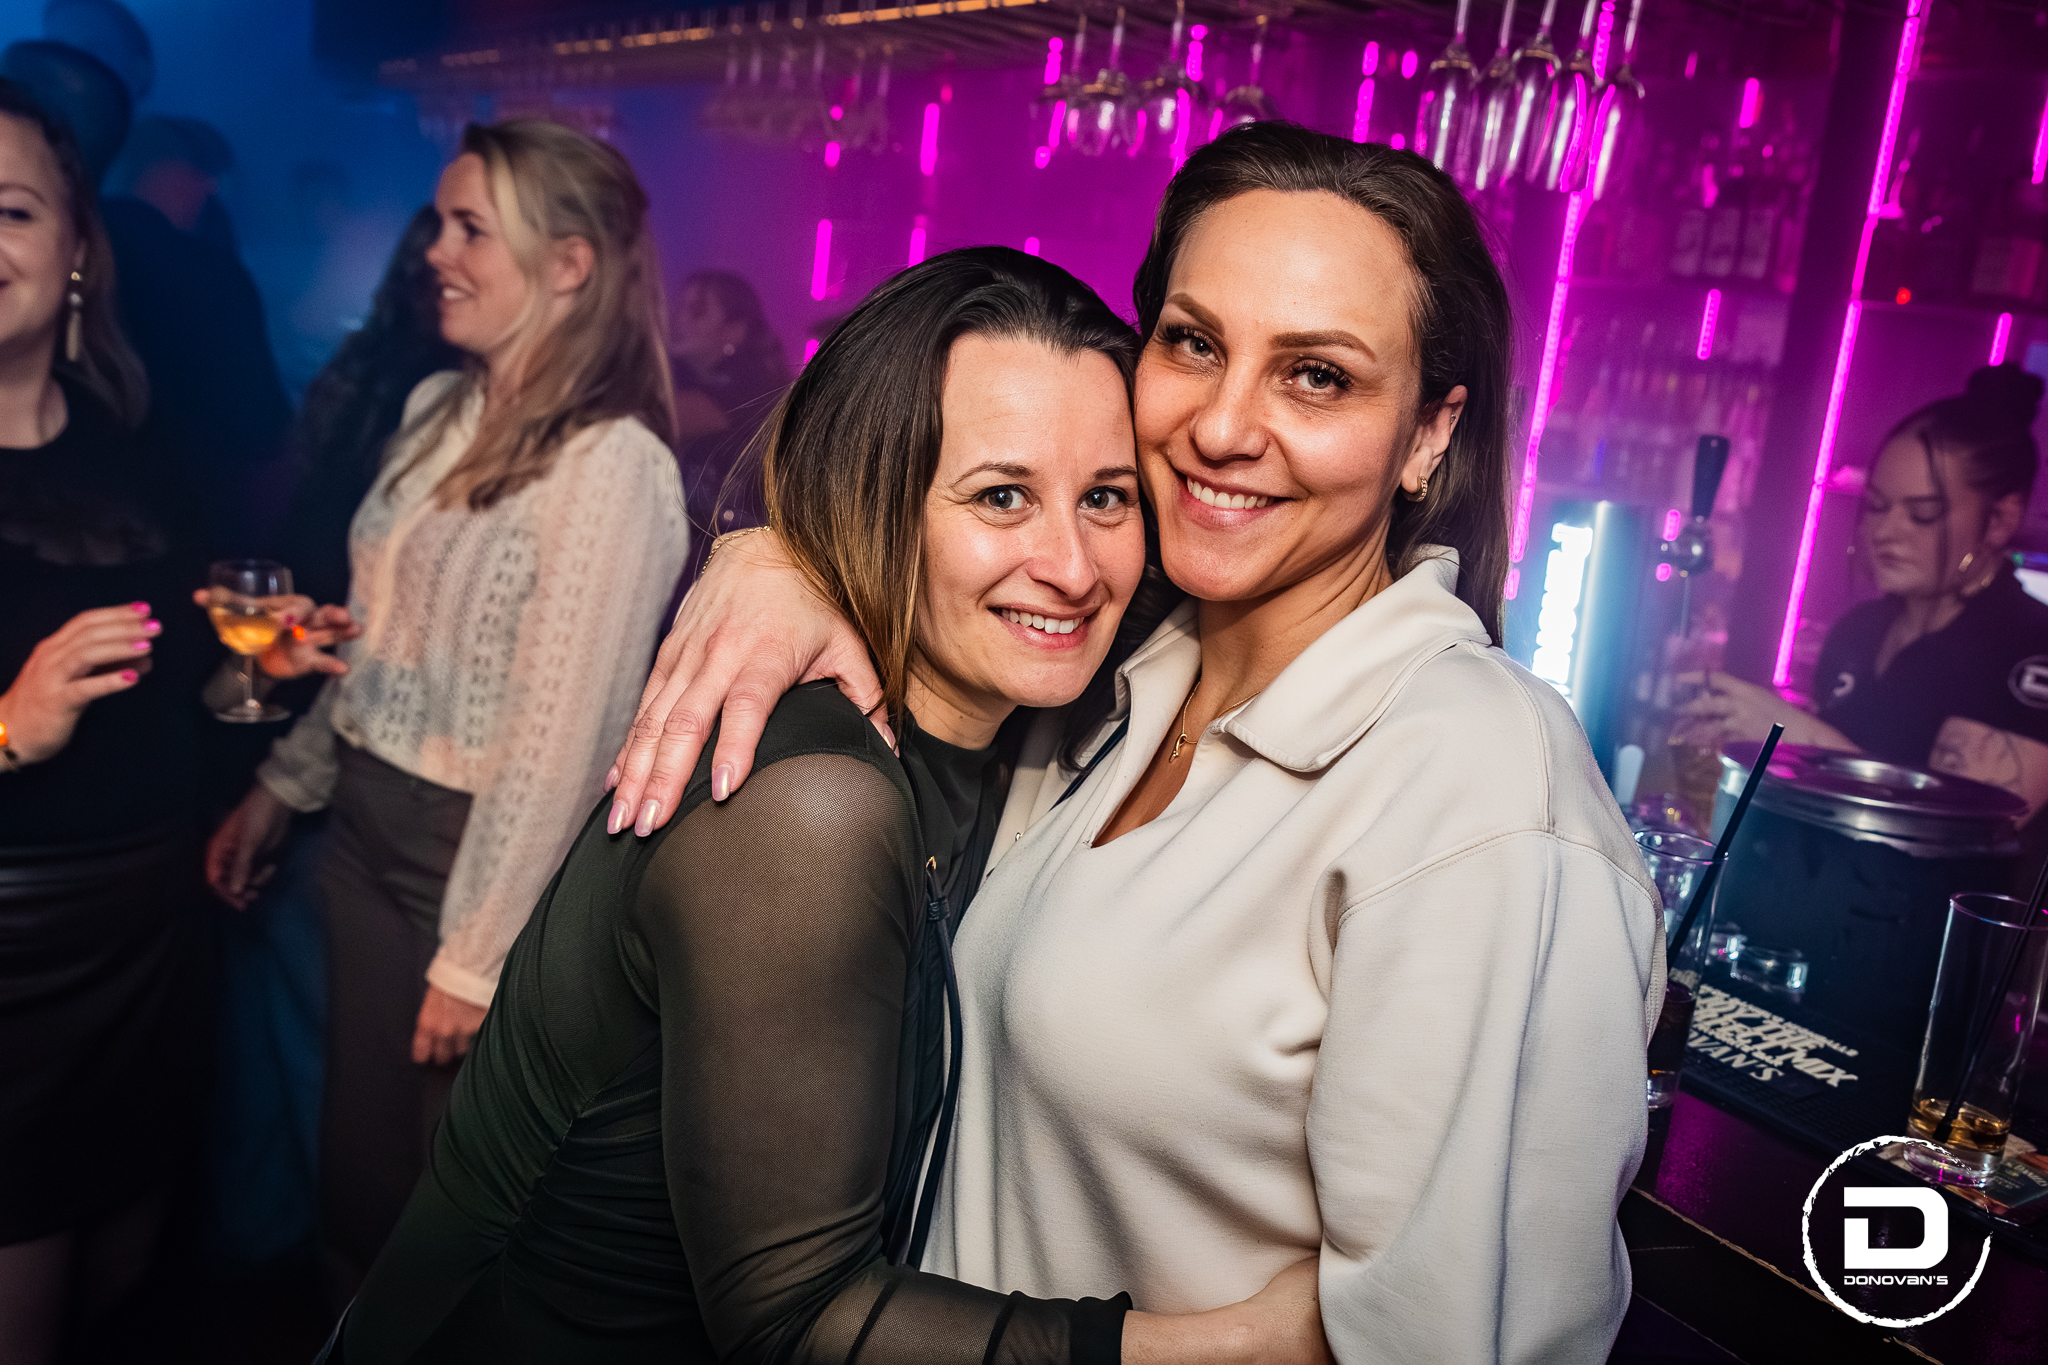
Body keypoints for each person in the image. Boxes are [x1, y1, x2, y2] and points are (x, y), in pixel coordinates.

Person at [606, 123, 1661, 1363]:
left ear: (1429, 432)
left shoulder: (1473, 786)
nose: (1222, 426)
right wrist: (777, 555)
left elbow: (1467, 1339)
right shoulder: (1104, 672)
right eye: (1194, 344)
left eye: (1316, 377)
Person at [339, 244, 1324, 1365]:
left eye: (1105, 497)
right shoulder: (810, 806)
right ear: (878, 500)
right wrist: (1240, 1346)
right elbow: (795, 1320)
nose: (1072, 564)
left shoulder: (1025, 723)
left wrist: (763, 551)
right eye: (1000, 496)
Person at [204, 119, 689, 1306]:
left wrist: (476, 955)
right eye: (442, 223)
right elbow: (383, 651)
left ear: (568, 265)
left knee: (441, 1201)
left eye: (471, 227)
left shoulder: (613, 467)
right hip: (360, 829)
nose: (436, 251)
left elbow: (562, 745)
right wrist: (284, 786)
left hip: (469, 859)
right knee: (357, 1170)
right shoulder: (434, 408)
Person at [0, 77, 346, 1364]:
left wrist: (267, 669)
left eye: (12, 209)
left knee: (130, 1277)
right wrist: (5, 728)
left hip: (150, 942)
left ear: (75, 250)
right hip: (12, 963)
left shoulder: (142, 450)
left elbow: (178, 699)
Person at [1679, 365, 2048, 824]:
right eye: (1876, 506)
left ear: (1999, 521)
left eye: (1922, 513)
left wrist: (1794, 737)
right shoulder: (1858, 631)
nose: (1884, 531)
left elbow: (1969, 832)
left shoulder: (2028, 647)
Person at [667, 268, 791, 590]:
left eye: (697, 310)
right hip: (700, 554)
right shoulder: (683, 376)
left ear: (734, 331)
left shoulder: (752, 384)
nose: (679, 318)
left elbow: (663, 417)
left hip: (732, 565)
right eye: (679, 306)